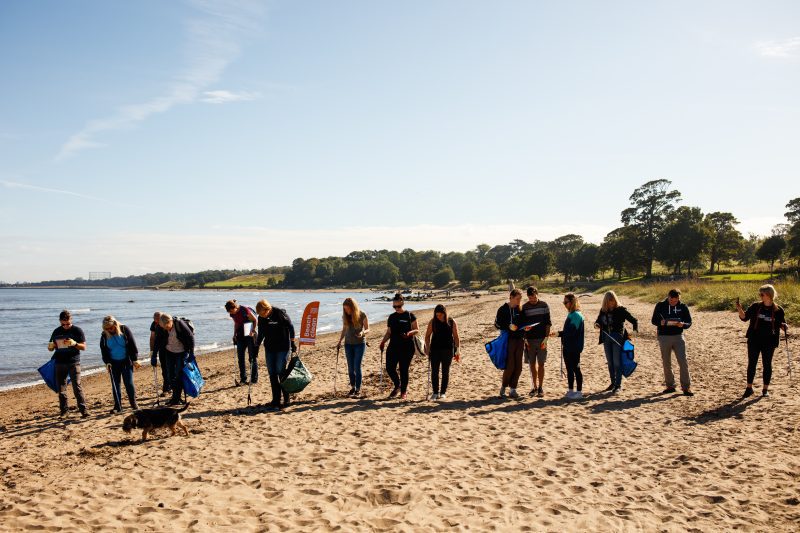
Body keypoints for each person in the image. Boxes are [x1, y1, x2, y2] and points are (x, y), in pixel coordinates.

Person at [736, 284, 788, 398]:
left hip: (770, 341)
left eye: (762, 294)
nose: (760, 296)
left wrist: (784, 326)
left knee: (767, 364)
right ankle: (749, 388)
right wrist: (739, 308)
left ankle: (765, 389)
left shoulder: (778, 310)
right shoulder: (755, 306)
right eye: (760, 294)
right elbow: (744, 318)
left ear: (769, 295)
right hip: (754, 339)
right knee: (752, 363)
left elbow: (782, 324)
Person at [255, 299, 297, 410]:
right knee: (272, 373)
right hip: (269, 348)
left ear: (267, 309)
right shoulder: (261, 318)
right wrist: (256, 346)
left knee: (280, 371)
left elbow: (291, 327)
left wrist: (292, 342)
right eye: (260, 315)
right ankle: (276, 400)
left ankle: (286, 399)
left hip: (283, 347)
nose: (261, 316)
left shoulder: (280, 314)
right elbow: (261, 333)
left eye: (262, 313)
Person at [651, 289, 694, 396]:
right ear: (668, 297)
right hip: (664, 337)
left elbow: (689, 322)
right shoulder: (660, 305)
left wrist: (683, 324)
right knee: (666, 362)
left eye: (676, 300)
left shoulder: (683, 306)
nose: (674, 302)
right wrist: (660, 322)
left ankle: (686, 387)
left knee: (683, 362)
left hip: (678, 337)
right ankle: (670, 386)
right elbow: (653, 320)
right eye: (671, 300)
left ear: (679, 298)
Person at [594, 291, 638, 394]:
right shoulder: (603, 310)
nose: (611, 303)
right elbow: (598, 321)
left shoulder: (621, 310)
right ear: (605, 301)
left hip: (617, 339)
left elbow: (634, 320)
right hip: (606, 338)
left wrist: (635, 331)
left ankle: (618, 385)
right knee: (610, 362)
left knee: (617, 362)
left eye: (613, 300)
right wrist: (596, 325)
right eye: (609, 301)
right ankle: (613, 383)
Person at [47, 310, 88, 417]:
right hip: (59, 362)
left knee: (77, 387)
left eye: (68, 324)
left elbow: (84, 347)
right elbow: (51, 348)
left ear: (71, 320)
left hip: (74, 362)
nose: (65, 326)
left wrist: (75, 344)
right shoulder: (56, 331)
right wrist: (51, 347)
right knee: (61, 389)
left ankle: (83, 410)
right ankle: (64, 411)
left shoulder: (77, 330)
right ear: (60, 321)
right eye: (63, 324)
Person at [379, 294, 419, 400]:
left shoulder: (410, 315)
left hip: (407, 347)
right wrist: (383, 342)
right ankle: (398, 385)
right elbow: (389, 332)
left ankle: (403, 391)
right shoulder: (391, 317)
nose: (396, 308)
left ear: (402, 303)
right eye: (394, 306)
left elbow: (417, 329)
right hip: (393, 346)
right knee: (389, 368)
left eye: (398, 306)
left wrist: (409, 333)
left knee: (403, 369)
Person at [99, 315, 141, 413]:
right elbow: (103, 350)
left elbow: (132, 345)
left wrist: (135, 359)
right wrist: (107, 362)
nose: (109, 330)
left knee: (129, 383)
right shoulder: (104, 335)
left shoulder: (124, 329)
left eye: (111, 328)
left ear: (115, 324)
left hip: (126, 361)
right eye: (107, 329)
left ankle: (133, 403)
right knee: (115, 385)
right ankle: (117, 406)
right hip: (113, 363)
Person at [550, 293, 585, 399]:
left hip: (574, 347)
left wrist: (558, 334)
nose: (564, 304)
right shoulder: (571, 314)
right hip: (568, 346)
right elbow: (568, 332)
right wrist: (558, 334)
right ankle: (570, 390)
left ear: (572, 302)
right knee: (569, 369)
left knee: (576, 369)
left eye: (566, 302)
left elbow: (570, 332)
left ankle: (579, 392)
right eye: (563, 302)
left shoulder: (576, 315)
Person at [155, 313, 195, 406]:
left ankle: (176, 398)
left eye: (167, 326)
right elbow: (157, 340)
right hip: (169, 352)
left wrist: (191, 353)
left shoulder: (179, 324)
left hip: (182, 352)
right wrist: (154, 354)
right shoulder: (161, 327)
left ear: (170, 322)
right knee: (170, 376)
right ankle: (175, 397)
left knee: (178, 375)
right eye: (164, 327)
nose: (166, 329)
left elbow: (191, 338)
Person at [519, 286, 551, 397]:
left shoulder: (544, 305)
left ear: (537, 294)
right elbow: (522, 325)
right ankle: (534, 387)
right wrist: (525, 338)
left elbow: (548, 323)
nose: (532, 300)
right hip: (529, 340)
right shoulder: (524, 307)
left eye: (534, 297)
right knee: (532, 364)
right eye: (530, 298)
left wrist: (546, 339)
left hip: (542, 339)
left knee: (541, 363)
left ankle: (540, 387)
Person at [424, 304, 460, 400]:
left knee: (445, 371)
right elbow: (427, 336)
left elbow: (456, 337)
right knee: (434, 372)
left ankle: (443, 392)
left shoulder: (451, 322)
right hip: (434, 350)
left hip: (448, 350)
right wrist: (427, 348)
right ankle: (435, 392)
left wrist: (457, 351)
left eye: (440, 315)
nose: (438, 317)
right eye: (437, 315)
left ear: (445, 313)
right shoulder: (433, 322)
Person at [336, 298, 369, 397]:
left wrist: (362, 332)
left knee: (357, 367)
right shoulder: (345, 316)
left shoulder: (362, 314)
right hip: (348, 344)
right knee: (350, 368)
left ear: (353, 307)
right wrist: (340, 341)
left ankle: (358, 389)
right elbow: (344, 329)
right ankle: (353, 387)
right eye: (345, 309)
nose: (346, 311)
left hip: (360, 344)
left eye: (348, 309)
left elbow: (368, 329)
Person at [497, 288, 524, 399]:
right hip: (508, 340)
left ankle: (513, 389)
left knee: (519, 366)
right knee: (510, 366)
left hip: (520, 339)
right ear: (511, 297)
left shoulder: (520, 309)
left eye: (520, 299)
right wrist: (508, 326)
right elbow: (497, 324)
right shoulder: (503, 309)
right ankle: (503, 388)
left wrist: (526, 328)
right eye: (517, 298)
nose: (519, 301)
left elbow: (523, 323)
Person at [225, 300, 259, 386]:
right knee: (240, 358)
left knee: (252, 357)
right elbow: (236, 323)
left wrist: (253, 331)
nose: (231, 313)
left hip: (250, 335)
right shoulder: (232, 314)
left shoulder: (244, 310)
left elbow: (255, 320)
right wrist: (234, 335)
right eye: (229, 312)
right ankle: (243, 379)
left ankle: (254, 379)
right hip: (240, 335)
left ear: (235, 307)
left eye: (231, 311)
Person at [149, 311, 171, 396]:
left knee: (170, 369)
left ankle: (168, 388)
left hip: (170, 349)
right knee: (164, 370)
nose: (157, 321)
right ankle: (167, 388)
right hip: (162, 349)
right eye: (155, 319)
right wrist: (152, 352)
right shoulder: (155, 325)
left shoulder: (167, 323)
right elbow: (153, 338)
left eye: (158, 319)